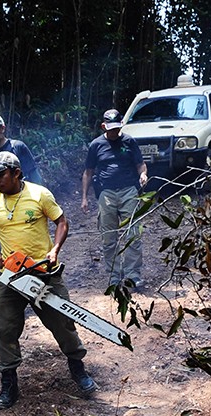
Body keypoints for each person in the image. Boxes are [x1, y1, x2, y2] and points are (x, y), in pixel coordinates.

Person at [0, 151, 98, 409]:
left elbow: (62, 221)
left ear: (16, 173)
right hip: (10, 276)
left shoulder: (40, 194)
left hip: (43, 272)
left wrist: (54, 250)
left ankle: (78, 370)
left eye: (1, 175)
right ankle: (9, 385)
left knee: (63, 322)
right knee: (4, 329)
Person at [81, 109, 149, 288]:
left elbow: (140, 164)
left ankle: (133, 274)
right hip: (107, 193)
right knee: (109, 236)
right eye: (111, 128)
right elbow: (88, 172)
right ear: (103, 126)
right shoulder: (96, 145)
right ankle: (113, 275)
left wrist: (143, 175)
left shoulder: (129, 141)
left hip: (129, 190)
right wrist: (84, 198)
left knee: (133, 233)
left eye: (117, 128)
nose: (114, 132)